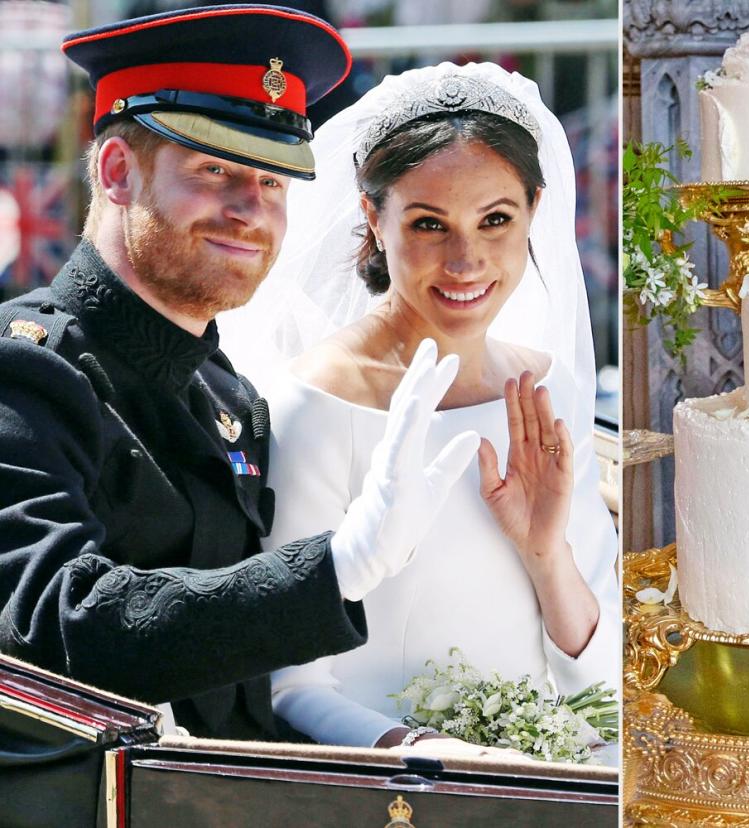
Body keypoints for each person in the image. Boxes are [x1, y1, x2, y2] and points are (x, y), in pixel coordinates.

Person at [0, 5, 479, 740]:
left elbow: (246, 690)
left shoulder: (227, 396)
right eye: (215, 169)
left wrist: (391, 741)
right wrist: (337, 568)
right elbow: (54, 627)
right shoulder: (25, 369)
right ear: (118, 171)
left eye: (276, 182)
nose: (250, 210)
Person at [217, 62, 620, 752]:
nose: (466, 261)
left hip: (552, 776)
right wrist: (428, 758)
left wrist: (546, 554)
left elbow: (601, 682)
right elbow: (291, 684)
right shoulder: (315, 404)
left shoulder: (549, 388)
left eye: (496, 219)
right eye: (430, 224)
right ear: (374, 218)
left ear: (534, 211)